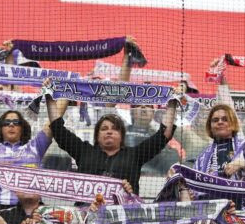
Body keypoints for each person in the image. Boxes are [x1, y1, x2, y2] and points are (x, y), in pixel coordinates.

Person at [49, 83, 178, 195]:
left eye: (114, 128)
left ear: (122, 135)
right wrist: (48, 95)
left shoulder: (135, 155)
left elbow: (164, 134)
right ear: (97, 136)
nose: (109, 131)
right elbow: (58, 130)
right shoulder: (83, 151)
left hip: (123, 217)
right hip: (86, 214)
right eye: (104, 129)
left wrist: (172, 102)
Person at [0, 81, 60, 209]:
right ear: (0, 128)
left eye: (16, 122)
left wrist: (61, 90)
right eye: (6, 123)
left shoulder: (35, 146)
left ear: (23, 127)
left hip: (30, 210)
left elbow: (55, 122)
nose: (11, 125)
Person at [193, 103, 245, 210]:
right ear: (210, 127)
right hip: (209, 215)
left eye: (225, 119)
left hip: (240, 216)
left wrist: (243, 164)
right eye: (215, 120)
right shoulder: (202, 157)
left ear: (233, 124)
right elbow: (194, 189)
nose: (220, 122)